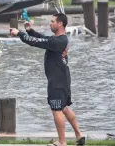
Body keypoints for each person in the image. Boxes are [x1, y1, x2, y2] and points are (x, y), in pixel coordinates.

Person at [10, 13, 85, 146]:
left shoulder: (58, 41)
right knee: (64, 108)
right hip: (62, 79)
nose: (50, 24)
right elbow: (42, 39)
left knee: (56, 110)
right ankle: (79, 135)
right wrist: (29, 31)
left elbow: (35, 42)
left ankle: (62, 142)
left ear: (60, 24)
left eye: (52, 21)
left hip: (57, 81)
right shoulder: (59, 39)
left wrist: (19, 33)